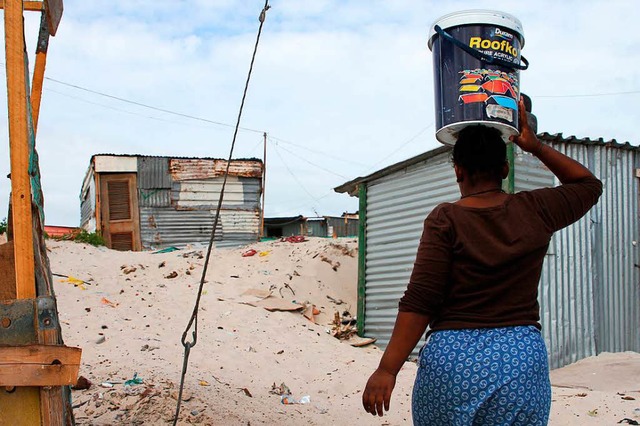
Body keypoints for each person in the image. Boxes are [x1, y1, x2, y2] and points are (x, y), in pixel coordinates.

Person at [361, 98, 603, 425]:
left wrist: (387, 369)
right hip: (519, 360)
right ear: (504, 168)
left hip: (453, 363)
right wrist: (534, 146)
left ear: (458, 170)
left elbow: (421, 300)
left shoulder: (445, 219)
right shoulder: (536, 209)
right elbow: (588, 185)